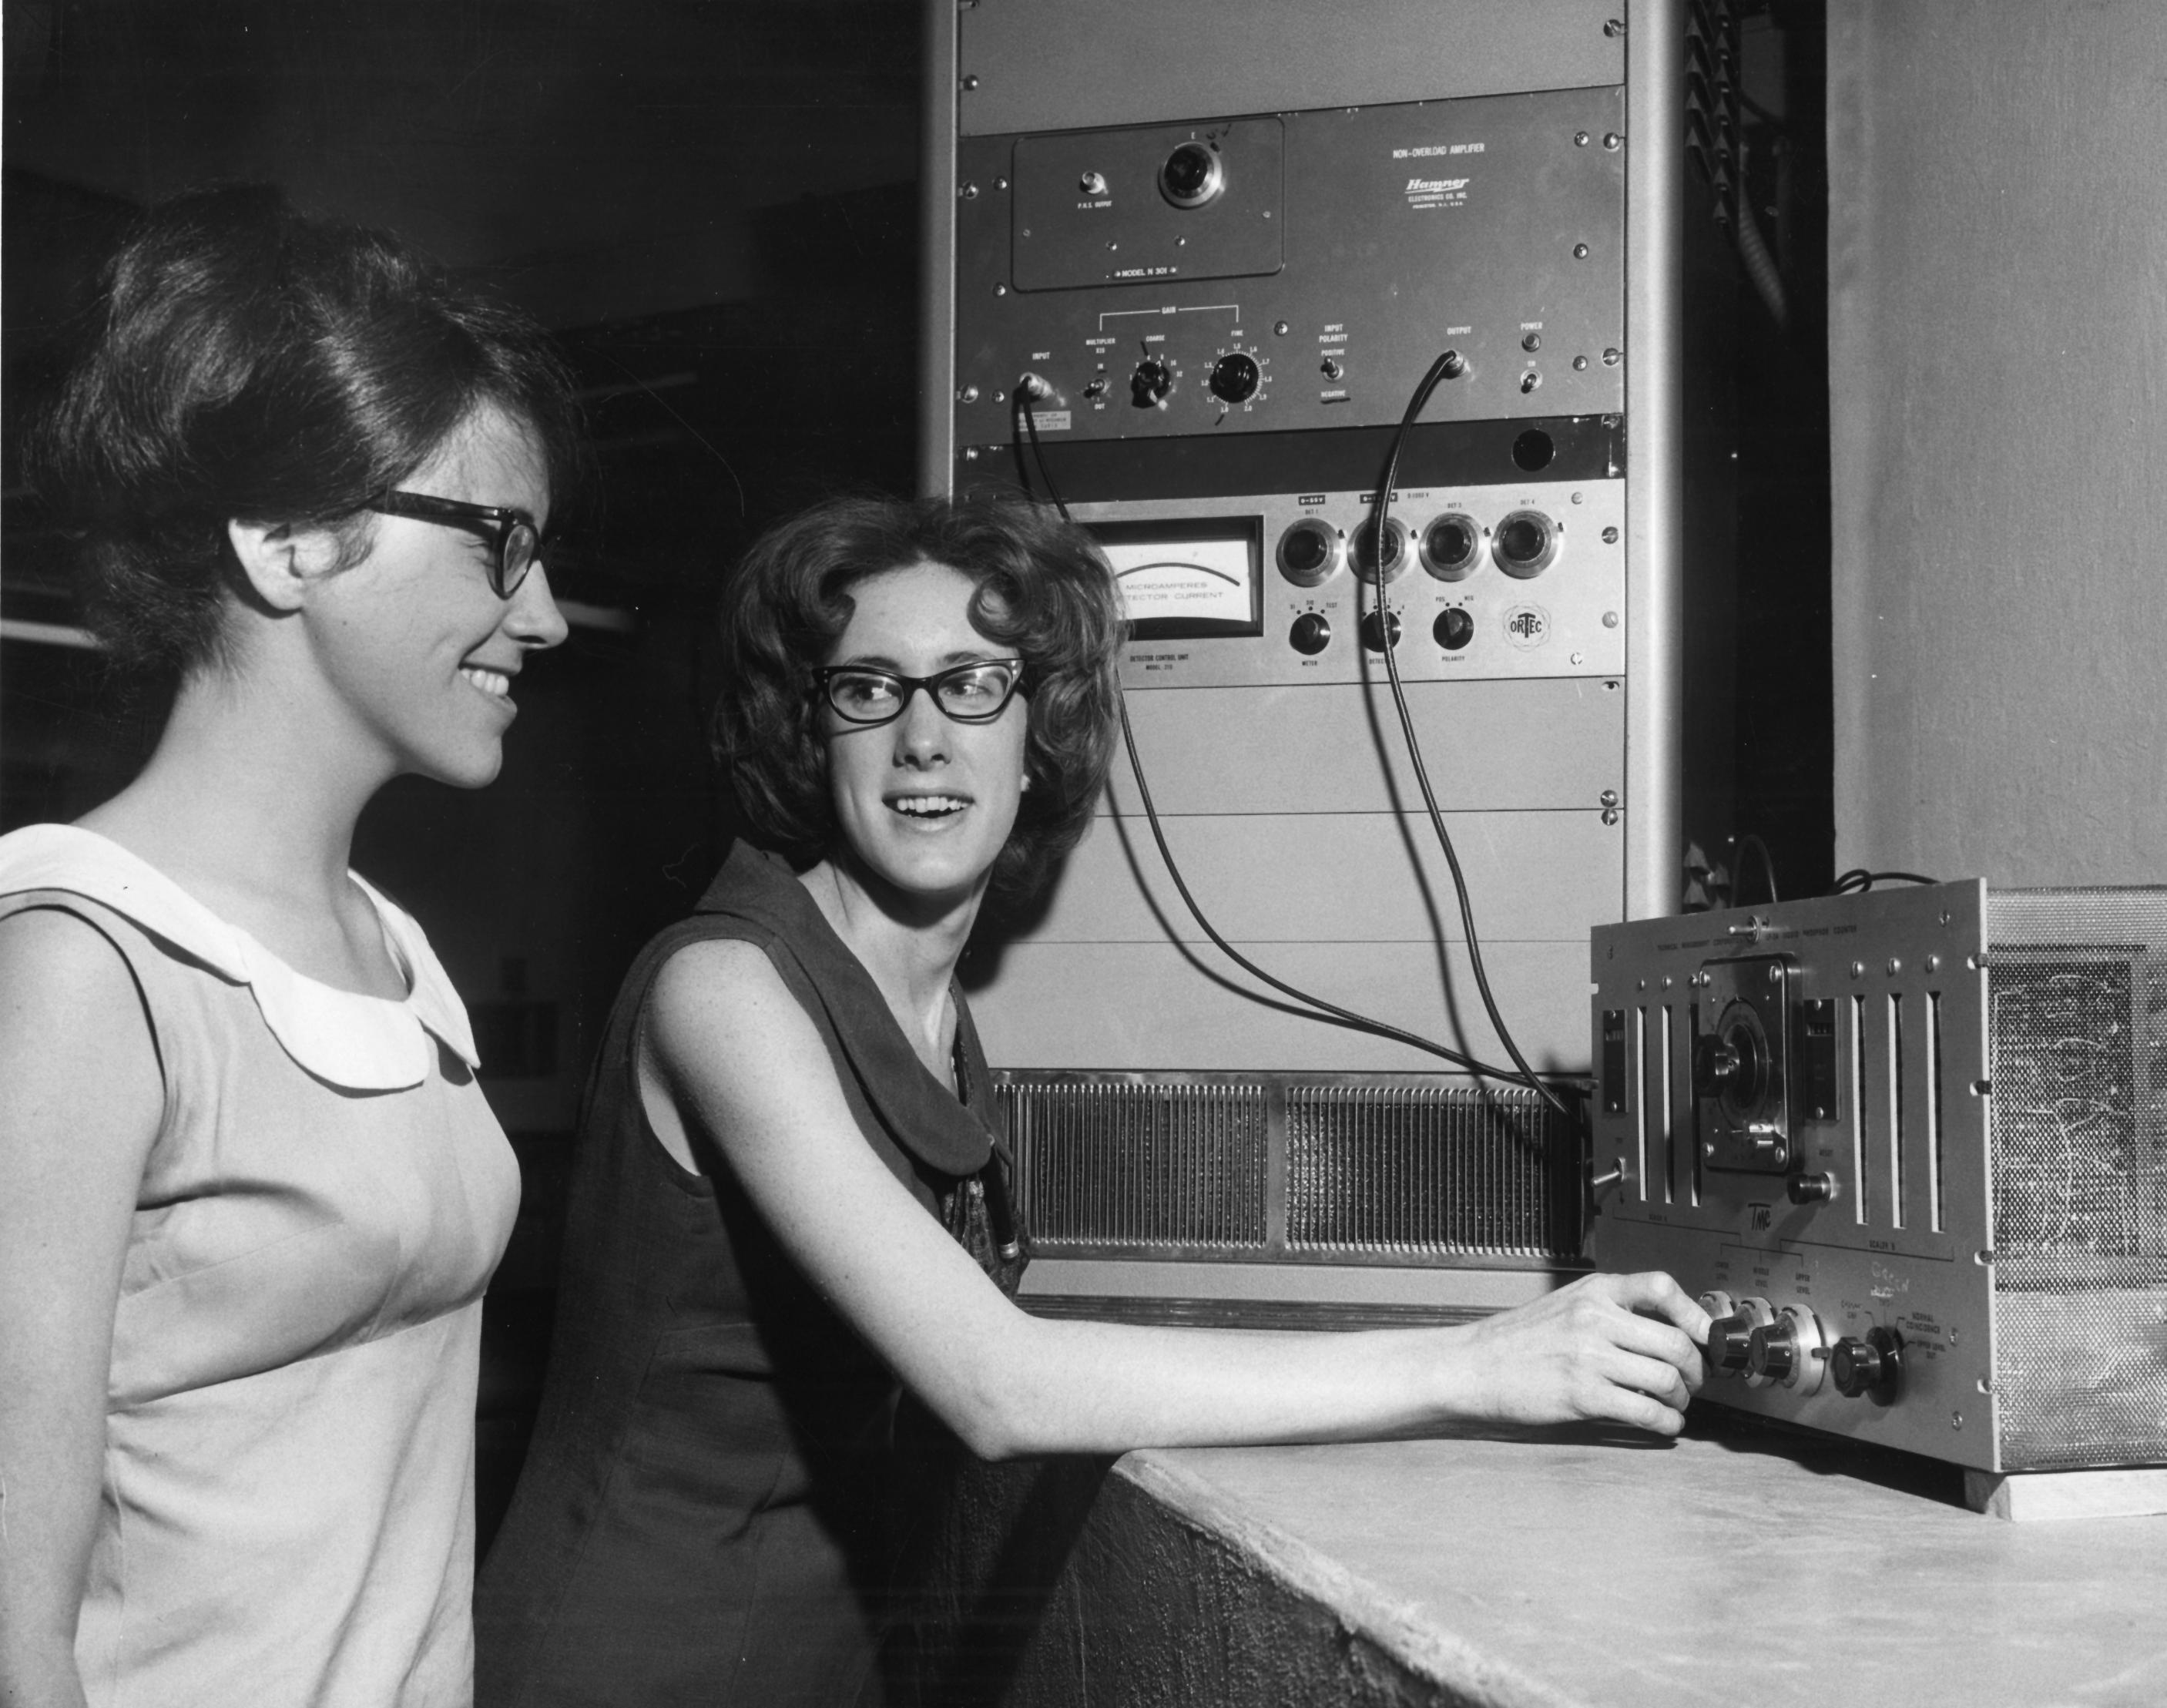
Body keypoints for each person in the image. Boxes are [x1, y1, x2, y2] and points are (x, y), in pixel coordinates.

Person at [474, 492, 1711, 1706]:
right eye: (869, 689)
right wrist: (1479, 1362)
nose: (923, 738)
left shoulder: (943, 1026)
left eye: (972, 685)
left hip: (804, 1660)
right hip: (622, 1660)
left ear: (1035, 736)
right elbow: (997, 1386)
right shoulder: (725, 987)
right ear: (813, 734)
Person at [0, 186, 581, 1708]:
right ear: (285, 541)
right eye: (499, 542)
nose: (548, 616)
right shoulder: (79, 968)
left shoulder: (395, 951)